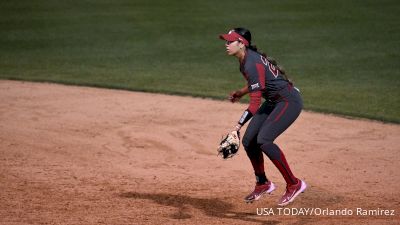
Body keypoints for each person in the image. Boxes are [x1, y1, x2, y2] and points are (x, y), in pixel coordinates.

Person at [219, 28, 307, 206]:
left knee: (264, 140)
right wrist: (241, 92)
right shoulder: (245, 60)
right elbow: (257, 82)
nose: (226, 44)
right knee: (249, 141)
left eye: (230, 41)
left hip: (288, 101)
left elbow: (255, 105)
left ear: (242, 43)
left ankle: (294, 184)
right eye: (226, 41)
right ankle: (263, 183)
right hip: (274, 101)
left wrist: (237, 127)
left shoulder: (251, 62)